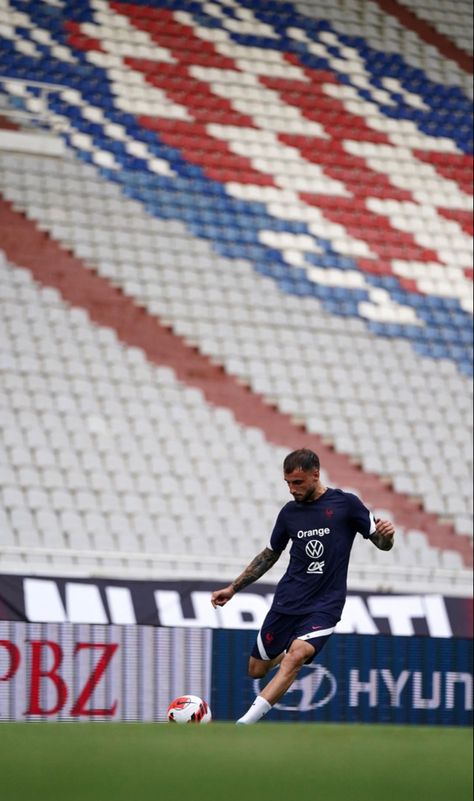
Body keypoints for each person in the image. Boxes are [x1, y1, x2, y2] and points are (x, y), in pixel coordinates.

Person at [211, 448, 395, 724]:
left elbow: (381, 543)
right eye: (288, 483)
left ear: (316, 475)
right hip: (288, 601)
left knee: (296, 656)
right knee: (256, 669)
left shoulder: (347, 505)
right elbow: (269, 555)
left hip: (325, 604)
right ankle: (290, 648)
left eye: (297, 482)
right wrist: (233, 588)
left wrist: (387, 537)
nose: (292, 489)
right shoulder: (289, 514)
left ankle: (244, 724)